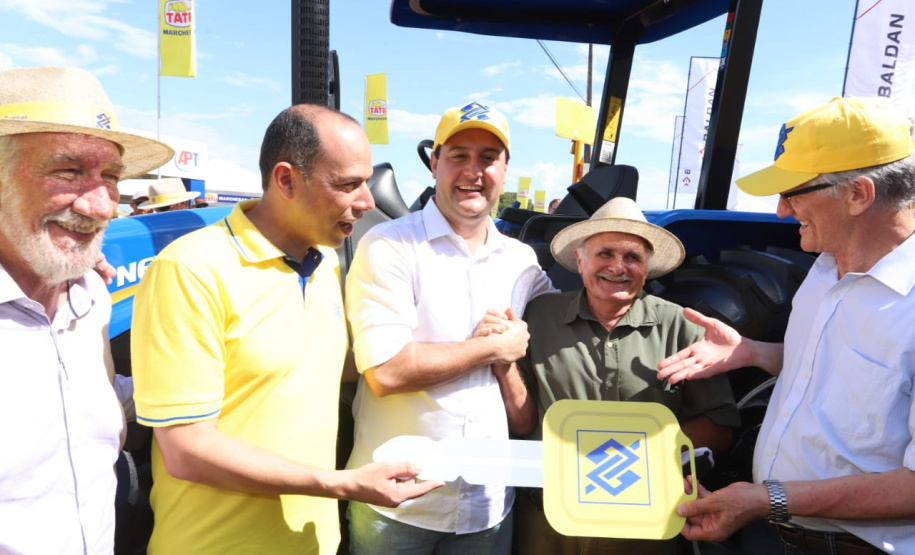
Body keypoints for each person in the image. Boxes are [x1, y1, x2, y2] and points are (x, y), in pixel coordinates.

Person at [130, 104, 441, 555]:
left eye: (366, 182)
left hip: (314, 542)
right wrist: (340, 485)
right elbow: (186, 449)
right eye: (347, 184)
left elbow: (309, 370)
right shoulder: (190, 269)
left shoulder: (323, 264)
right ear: (286, 180)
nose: (368, 202)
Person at [657, 97, 915, 554]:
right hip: (773, 533)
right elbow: (844, 375)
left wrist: (766, 499)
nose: (780, 211)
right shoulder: (824, 267)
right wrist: (754, 352)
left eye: (793, 192)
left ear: (858, 194)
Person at [344, 101, 555, 554]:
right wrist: (492, 349)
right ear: (435, 162)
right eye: (459, 155)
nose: (473, 171)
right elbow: (386, 372)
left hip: (488, 507)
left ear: (505, 168)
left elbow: (569, 325)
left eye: (487, 157)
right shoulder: (390, 246)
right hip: (397, 505)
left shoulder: (523, 263)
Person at [0, 65, 173, 554]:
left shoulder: (90, 295)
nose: (100, 206)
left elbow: (90, 400)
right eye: (68, 170)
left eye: (112, 177)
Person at [505, 197, 739, 555]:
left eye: (633, 257)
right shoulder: (538, 317)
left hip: (645, 523)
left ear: (647, 267)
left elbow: (719, 426)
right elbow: (521, 420)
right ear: (580, 261)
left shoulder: (682, 325)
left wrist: (634, 458)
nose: (618, 266)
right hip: (548, 519)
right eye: (605, 253)